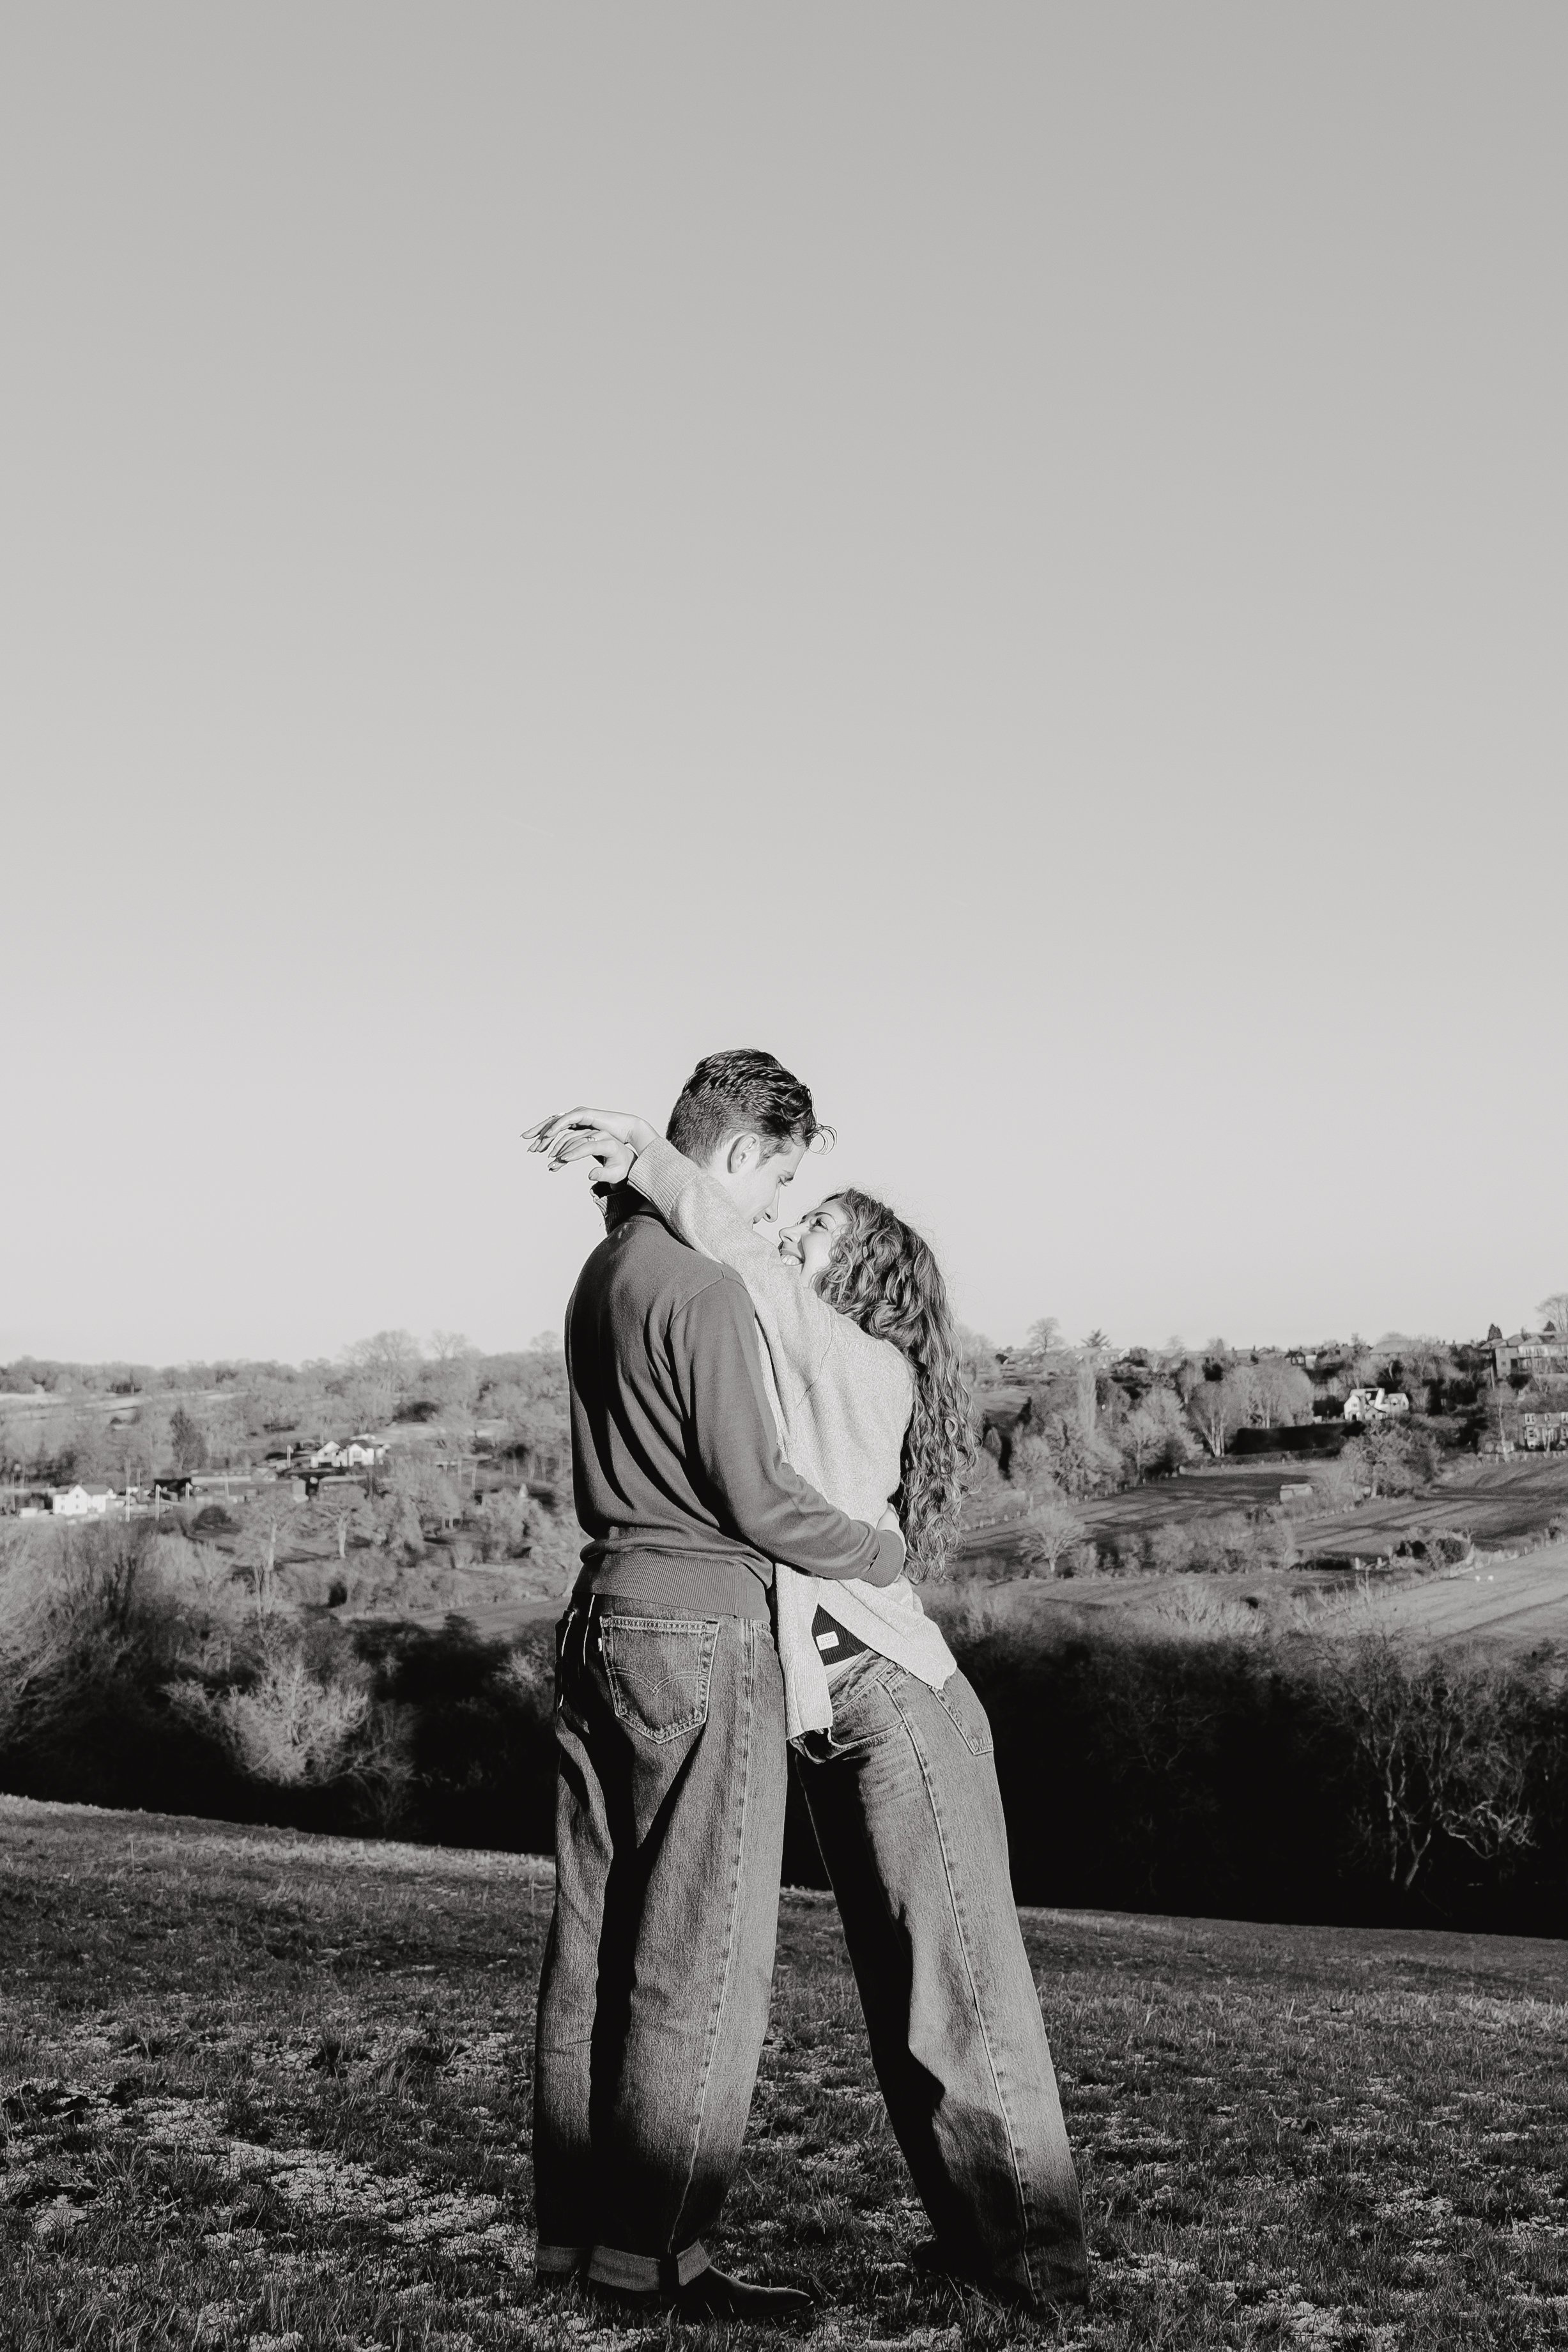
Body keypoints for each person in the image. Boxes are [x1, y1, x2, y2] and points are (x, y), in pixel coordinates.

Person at [530, 1097, 1090, 2313]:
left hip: (895, 1700)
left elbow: (733, 1258)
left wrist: (644, 1157)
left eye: (818, 1227)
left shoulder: (850, 1355)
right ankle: (977, 2238)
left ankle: (1035, 2258)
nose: (787, 1236)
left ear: (866, 1275)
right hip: (824, 1701)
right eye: (795, 1214)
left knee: (961, 1988)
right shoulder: (788, 1347)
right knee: (904, 1998)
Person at [525, 1049, 909, 2323]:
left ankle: (579, 2240)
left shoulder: (605, 1271)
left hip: (598, 1621)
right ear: (739, 1156)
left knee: (597, 1941)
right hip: (699, 1627)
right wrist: (879, 1550)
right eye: (780, 1178)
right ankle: (659, 2255)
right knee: (702, 1950)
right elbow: (761, 1496)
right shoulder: (704, 1286)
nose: (771, 1207)